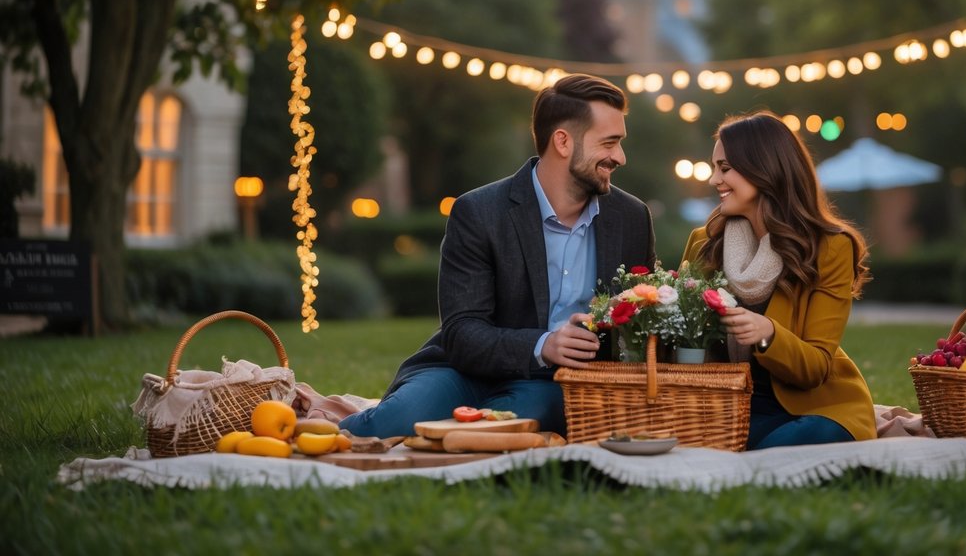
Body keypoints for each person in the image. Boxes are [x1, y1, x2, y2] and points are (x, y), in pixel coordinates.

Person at [340, 74, 655, 439]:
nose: (620, 157)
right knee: (385, 425)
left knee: (502, 432)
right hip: (460, 371)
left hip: (552, 384)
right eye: (610, 143)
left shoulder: (631, 218)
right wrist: (544, 344)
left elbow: (640, 326)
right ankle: (309, 426)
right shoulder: (478, 211)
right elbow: (462, 333)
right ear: (563, 142)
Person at [681, 110, 876, 448]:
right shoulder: (705, 242)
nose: (714, 180)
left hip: (810, 409)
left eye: (725, 168)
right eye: (715, 168)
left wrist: (768, 334)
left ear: (764, 170)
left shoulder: (828, 248)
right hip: (727, 408)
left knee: (809, 437)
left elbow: (815, 367)